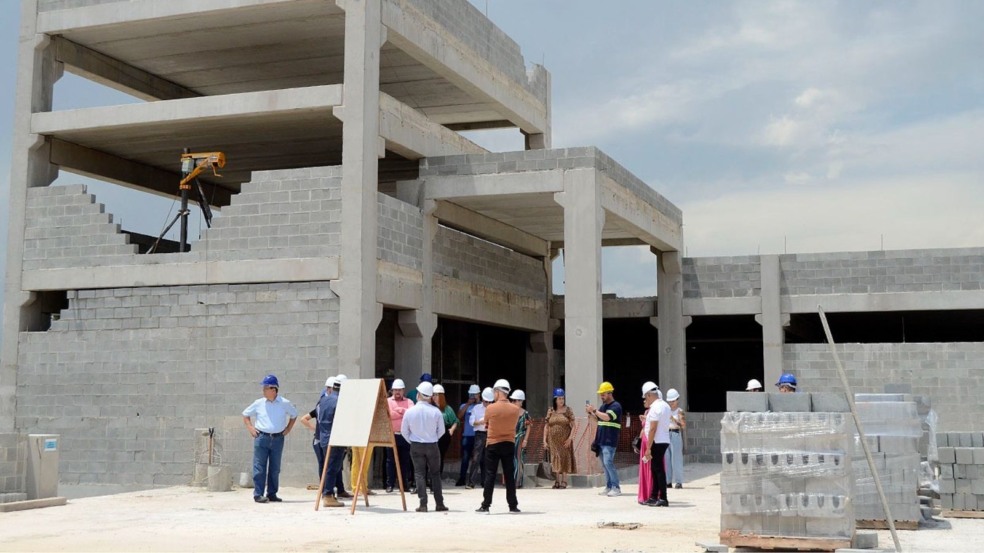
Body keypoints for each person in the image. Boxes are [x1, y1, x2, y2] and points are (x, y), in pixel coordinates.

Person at [242, 374, 298, 503]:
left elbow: (294, 415)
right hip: (262, 437)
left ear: (274, 389)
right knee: (259, 467)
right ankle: (258, 494)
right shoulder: (259, 403)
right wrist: (250, 428)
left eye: (265, 388)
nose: (263, 390)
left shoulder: (284, 403)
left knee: (275, 467)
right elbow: (245, 415)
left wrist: (288, 429)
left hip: (278, 438)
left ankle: (272, 493)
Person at [476, 379, 522, 514]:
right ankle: (512, 505)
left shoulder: (490, 408)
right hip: (509, 443)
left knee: (490, 474)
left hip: (493, 444)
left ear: (498, 392)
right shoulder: (516, 409)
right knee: (509, 475)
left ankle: (486, 505)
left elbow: (486, 423)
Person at [402, 382, 448, 512]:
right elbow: (442, 431)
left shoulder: (410, 411)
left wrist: (412, 442)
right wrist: (433, 439)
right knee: (435, 474)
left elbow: (404, 431)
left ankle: (423, 504)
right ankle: (439, 503)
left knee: (419, 474)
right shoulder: (436, 411)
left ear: (419, 395)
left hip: (416, 445)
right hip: (432, 445)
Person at [586, 381, 623, 497]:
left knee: (608, 462)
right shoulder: (603, 407)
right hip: (601, 441)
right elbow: (599, 420)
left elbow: (607, 418)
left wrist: (595, 411)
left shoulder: (616, 406)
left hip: (609, 441)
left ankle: (616, 487)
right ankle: (609, 486)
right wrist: (591, 414)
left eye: (603, 394)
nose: (601, 396)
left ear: (609, 393)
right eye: (601, 394)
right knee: (605, 464)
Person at [316, 375, 347, 507]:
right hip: (335, 438)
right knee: (332, 468)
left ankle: (327, 493)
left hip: (324, 438)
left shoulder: (324, 400)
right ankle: (328, 495)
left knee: (328, 467)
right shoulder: (340, 401)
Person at [642, 381, 671, 507]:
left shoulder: (655, 408)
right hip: (664, 440)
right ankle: (654, 496)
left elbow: (653, 428)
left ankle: (663, 497)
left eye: (645, 397)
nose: (645, 400)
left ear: (649, 395)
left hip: (656, 441)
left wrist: (648, 447)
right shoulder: (665, 405)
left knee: (658, 470)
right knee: (655, 469)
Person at [385, 379, 415, 493]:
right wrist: (403, 413)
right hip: (392, 435)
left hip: (405, 436)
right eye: (395, 390)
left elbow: (412, 415)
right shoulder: (387, 401)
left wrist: (401, 410)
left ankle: (404, 485)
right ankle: (390, 484)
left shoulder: (409, 402)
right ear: (392, 390)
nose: (397, 392)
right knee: (390, 461)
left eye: (400, 390)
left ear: (403, 390)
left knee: (405, 461)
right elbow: (388, 415)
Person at [544, 387, 574, 490]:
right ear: (555, 400)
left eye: (562, 398)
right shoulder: (551, 410)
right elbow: (547, 426)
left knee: (564, 458)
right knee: (555, 459)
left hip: (565, 440)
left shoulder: (568, 410)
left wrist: (570, 438)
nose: (561, 400)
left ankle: (564, 481)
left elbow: (574, 425)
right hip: (553, 441)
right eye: (559, 398)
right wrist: (544, 440)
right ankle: (557, 480)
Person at [466, 387, 494, 489]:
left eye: (490, 401)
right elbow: (471, 422)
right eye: (486, 401)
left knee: (488, 459)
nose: (488, 403)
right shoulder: (476, 408)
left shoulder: (494, 408)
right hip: (480, 434)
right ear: (483, 399)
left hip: (491, 434)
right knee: (476, 458)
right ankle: (471, 482)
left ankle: (485, 482)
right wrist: (481, 422)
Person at [456, 384, 482, 486]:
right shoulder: (464, 406)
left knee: (480, 458)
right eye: (471, 394)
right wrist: (468, 404)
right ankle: (462, 478)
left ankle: (482, 480)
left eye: (475, 394)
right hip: (467, 435)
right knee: (465, 458)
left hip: (479, 435)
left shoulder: (482, 406)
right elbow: (459, 416)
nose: (473, 396)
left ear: (479, 395)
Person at [433, 384, 458, 478]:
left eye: (436, 395)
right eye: (433, 394)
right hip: (432, 433)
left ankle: (437, 478)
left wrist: (451, 430)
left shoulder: (447, 409)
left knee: (440, 457)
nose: (434, 397)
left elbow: (455, 421)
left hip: (444, 435)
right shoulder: (430, 407)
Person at [509, 390, 532, 488]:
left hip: (520, 438)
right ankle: (510, 481)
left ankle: (517, 482)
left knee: (518, 459)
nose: (514, 402)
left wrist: (525, 440)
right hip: (510, 438)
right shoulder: (509, 412)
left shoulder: (525, 413)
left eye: (516, 401)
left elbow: (529, 427)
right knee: (510, 460)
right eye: (513, 400)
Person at [664, 388, 686, 489]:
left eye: (673, 401)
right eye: (670, 401)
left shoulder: (679, 411)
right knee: (666, 458)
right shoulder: (666, 410)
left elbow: (683, 425)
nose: (671, 403)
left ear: (677, 400)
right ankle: (668, 481)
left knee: (676, 459)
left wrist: (674, 420)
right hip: (666, 434)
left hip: (675, 434)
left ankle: (678, 481)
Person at [636, 398, 653, 504]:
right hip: (644, 441)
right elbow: (644, 428)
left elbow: (655, 425)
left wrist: (646, 418)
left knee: (650, 468)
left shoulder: (654, 412)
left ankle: (651, 493)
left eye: (646, 399)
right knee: (644, 468)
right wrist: (638, 441)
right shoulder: (647, 412)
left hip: (650, 441)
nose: (643, 401)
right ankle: (644, 494)